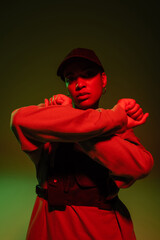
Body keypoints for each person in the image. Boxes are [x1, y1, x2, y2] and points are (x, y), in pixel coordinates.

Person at [11, 48, 153, 240]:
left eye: (88, 75)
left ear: (103, 80)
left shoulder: (117, 129)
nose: (79, 84)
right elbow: (18, 119)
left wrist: (72, 124)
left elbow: (141, 166)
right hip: (50, 228)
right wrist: (116, 115)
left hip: (100, 230)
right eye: (71, 78)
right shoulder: (116, 121)